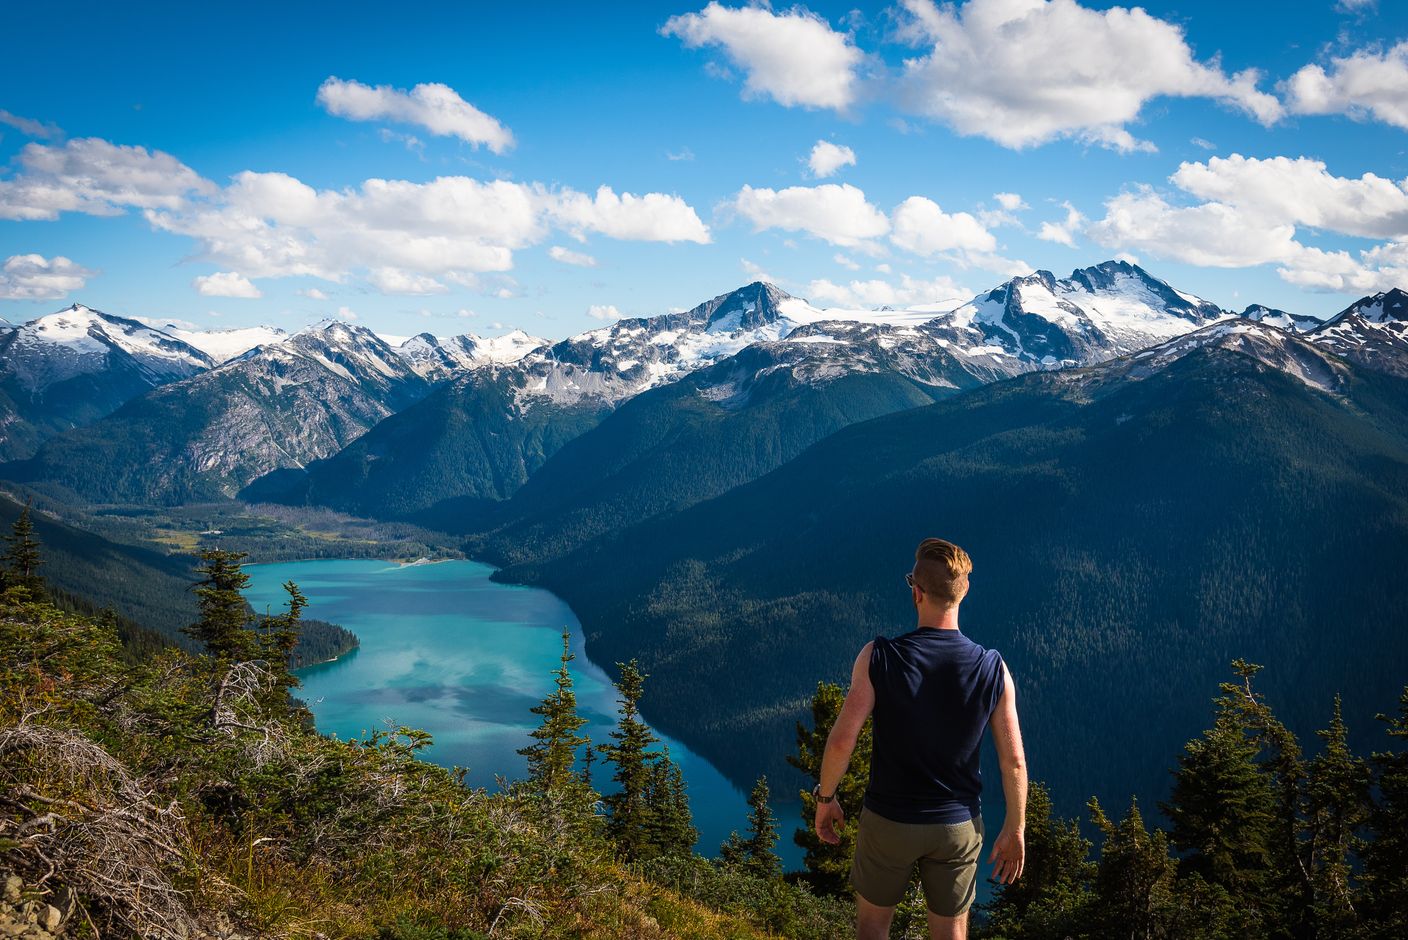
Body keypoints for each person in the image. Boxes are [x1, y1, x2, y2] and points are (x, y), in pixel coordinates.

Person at [812, 538, 1027, 940]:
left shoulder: (879, 656)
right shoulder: (993, 669)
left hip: (889, 820)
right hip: (957, 826)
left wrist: (826, 798)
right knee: (950, 934)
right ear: (963, 594)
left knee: (873, 929)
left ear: (916, 592)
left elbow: (843, 741)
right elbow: (1013, 761)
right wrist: (1015, 828)